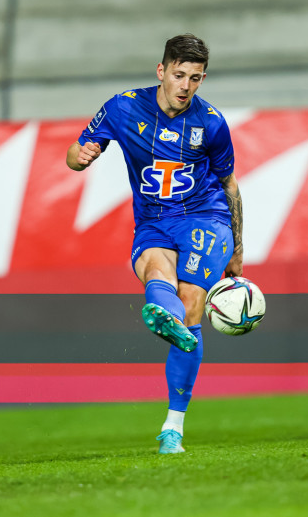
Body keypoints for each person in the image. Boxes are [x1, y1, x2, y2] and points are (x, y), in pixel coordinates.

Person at [66, 34, 242, 453]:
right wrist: (80, 157)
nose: (185, 86)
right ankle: (168, 318)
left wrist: (237, 247)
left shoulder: (211, 123)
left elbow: (230, 185)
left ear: (203, 79)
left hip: (205, 217)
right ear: (161, 71)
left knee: (191, 300)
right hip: (153, 222)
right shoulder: (123, 107)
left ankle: (172, 427)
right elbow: (74, 152)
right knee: (154, 271)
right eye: (179, 75)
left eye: (195, 78)